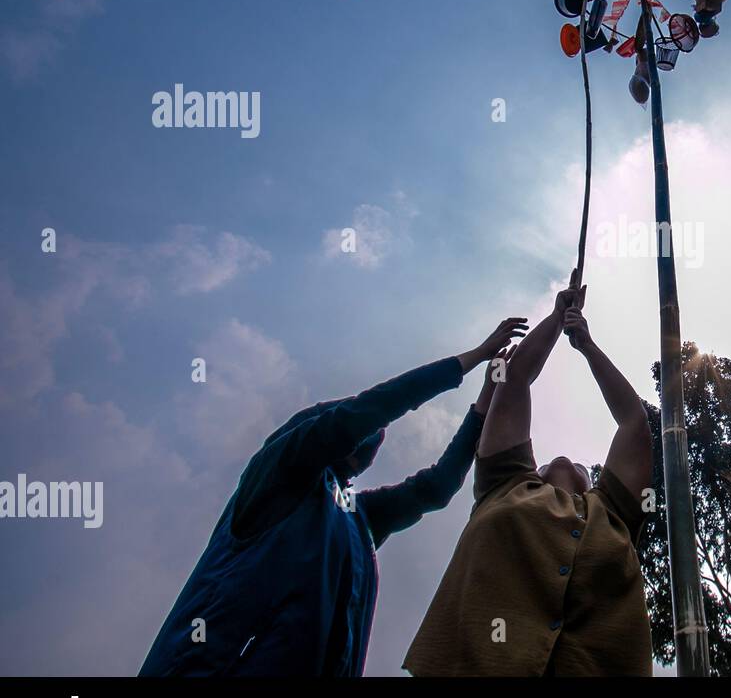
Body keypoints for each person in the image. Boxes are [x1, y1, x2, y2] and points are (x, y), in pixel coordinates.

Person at [139, 318, 527, 676]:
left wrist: (484, 401)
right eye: (362, 430)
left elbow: (435, 488)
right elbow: (362, 413)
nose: (374, 437)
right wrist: (472, 358)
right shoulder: (278, 473)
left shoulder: (357, 518)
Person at [403, 273, 654, 676]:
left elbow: (633, 422)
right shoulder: (504, 482)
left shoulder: (615, 514)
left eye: (580, 467)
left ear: (594, 483)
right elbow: (515, 378)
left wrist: (587, 345)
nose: (563, 458)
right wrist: (557, 319)